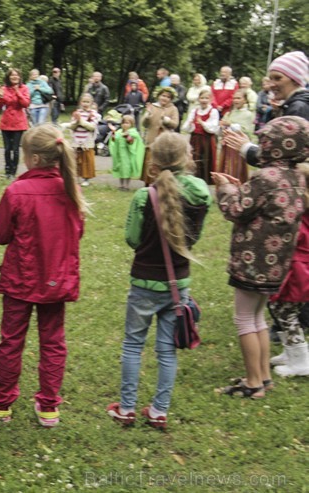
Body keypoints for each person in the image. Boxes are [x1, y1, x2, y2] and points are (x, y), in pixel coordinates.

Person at [107, 132, 211, 430]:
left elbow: (133, 238)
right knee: (166, 350)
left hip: (143, 283)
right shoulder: (201, 192)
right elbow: (193, 238)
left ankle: (126, 408)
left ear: (152, 160)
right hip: (178, 285)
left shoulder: (144, 196)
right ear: (188, 157)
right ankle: (159, 411)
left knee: (132, 344)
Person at [0, 124, 86, 428]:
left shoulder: (17, 191)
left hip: (21, 280)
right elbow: (77, 232)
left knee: (11, 341)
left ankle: (3, 403)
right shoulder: (70, 191)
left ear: (30, 158)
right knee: (53, 341)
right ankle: (48, 406)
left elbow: (0, 234)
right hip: (54, 280)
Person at [213, 116, 308, 399]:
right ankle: (263, 376)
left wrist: (224, 190)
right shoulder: (298, 179)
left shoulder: (265, 178)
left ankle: (253, 383)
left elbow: (236, 210)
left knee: (244, 319)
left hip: (252, 262)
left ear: (272, 145)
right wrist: (240, 188)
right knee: (258, 319)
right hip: (277, 264)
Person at [223, 51, 308, 167]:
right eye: (270, 79)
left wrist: (246, 148)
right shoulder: (293, 105)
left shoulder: (298, 109)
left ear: (295, 80)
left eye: (278, 78)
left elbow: (282, 161)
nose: (271, 85)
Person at [268, 206, 309, 377]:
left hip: (297, 267)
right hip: (299, 264)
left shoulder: (301, 211)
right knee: (282, 310)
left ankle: (300, 361)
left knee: (285, 312)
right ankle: (291, 352)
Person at [0, 68, 30, 179]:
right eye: (12, 75)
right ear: (8, 77)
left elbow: (25, 103)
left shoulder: (24, 88)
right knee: (7, 149)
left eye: (16, 75)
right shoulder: (4, 88)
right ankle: (7, 170)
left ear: (20, 77)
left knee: (15, 149)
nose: (14, 77)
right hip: (6, 122)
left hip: (19, 123)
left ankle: (13, 172)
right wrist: (1, 96)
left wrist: (18, 92)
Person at [141, 87, 179, 185]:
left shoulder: (173, 109)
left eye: (168, 97)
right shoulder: (153, 107)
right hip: (152, 139)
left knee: (162, 161)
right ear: (158, 96)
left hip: (165, 140)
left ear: (171, 99)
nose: (165, 98)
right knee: (150, 161)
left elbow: (175, 124)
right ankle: (148, 182)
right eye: (163, 96)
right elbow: (144, 124)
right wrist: (148, 115)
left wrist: (166, 120)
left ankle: (161, 183)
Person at [182, 89, 219, 184]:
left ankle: (206, 179)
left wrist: (202, 123)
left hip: (206, 140)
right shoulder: (194, 111)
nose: (204, 100)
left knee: (206, 158)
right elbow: (186, 127)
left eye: (206, 98)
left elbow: (213, 127)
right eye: (202, 98)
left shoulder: (213, 111)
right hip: (195, 139)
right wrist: (190, 124)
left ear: (210, 100)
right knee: (195, 158)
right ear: (198, 99)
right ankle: (194, 178)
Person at [218, 89, 255, 183]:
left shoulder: (248, 114)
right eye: (234, 98)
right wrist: (222, 128)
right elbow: (222, 127)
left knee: (235, 170)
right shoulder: (229, 113)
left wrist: (230, 124)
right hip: (227, 145)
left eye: (239, 98)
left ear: (245, 100)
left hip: (238, 146)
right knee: (225, 167)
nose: (236, 100)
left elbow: (245, 130)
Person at [69, 93, 99, 186]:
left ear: (91, 103)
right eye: (83, 101)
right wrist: (76, 122)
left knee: (87, 160)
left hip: (87, 141)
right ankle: (75, 177)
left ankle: (86, 179)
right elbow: (72, 126)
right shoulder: (77, 113)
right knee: (76, 160)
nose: (85, 104)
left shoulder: (93, 114)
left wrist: (81, 122)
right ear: (80, 102)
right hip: (77, 140)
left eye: (87, 102)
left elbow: (92, 127)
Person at [109, 115, 144, 191]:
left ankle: (126, 185)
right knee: (121, 170)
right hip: (119, 155)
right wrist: (113, 133)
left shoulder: (133, 132)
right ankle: (121, 185)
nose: (125, 124)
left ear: (132, 124)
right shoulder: (119, 132)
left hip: (127, 155)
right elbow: (114, 140)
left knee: (127, 170)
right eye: (123, 122)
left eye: (127, 123)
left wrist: (128, 137)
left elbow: (132, 142)